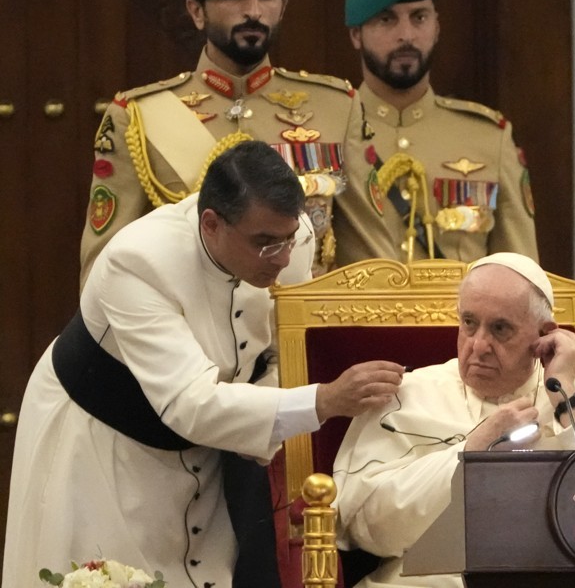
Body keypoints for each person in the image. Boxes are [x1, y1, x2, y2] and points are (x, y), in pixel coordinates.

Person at [3, 142, 405, 588]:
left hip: (210, 442)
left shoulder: (291, 237)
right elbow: (189, 404)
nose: (284, 258)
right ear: (210, 224)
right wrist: (323, 400)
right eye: (265, 244)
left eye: (288, 239)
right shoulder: (136, 262)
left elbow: (274, 351)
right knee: (103, 573)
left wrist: (258, 409)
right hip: (103, 441)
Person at [332, 252, 575, 588]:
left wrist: (565, 392)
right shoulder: (406, 397)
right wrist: (472, 449)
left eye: (500, 329)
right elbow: (371, 531)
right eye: (469, 323)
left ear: (544, 334)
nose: (478, 346)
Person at [81, 0, 367, 283]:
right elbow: (105, 271)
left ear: (282, 7)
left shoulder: (338, 108)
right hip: (187, 333)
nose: (253, 10)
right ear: (197, 11)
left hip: (302, 331)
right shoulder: (138, 118)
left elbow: (369, 261)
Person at [334, 0, 538, 266]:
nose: (406, 35)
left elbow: (520, 272)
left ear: (437, 27)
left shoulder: (488, 137)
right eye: (386, 19)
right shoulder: (329, 132)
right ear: (355, 35)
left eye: (419, 17)